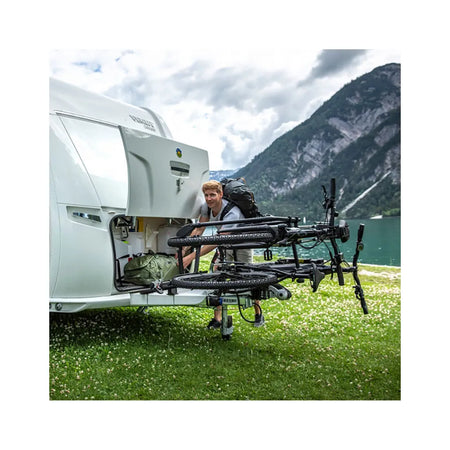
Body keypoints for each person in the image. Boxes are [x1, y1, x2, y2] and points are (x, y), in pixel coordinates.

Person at [179, 180, 265, 328]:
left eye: (212, 195)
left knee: (248, 278)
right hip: (225, 245)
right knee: (217, 277)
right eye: (206, 195)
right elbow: (199, 229)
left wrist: (191, 257)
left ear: (220, 194)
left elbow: (217, 240)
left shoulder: (232, 212)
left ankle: (258, 314)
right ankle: (217, 319)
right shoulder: (206, 207)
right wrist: (184, 248)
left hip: (243, 244)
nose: (209, 199)